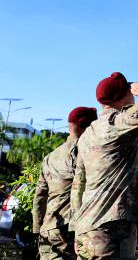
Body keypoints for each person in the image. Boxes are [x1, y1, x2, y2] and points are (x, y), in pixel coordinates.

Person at [71, 72, 138, 260]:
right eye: (129, 90)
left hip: (86, 226)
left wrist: (76, 228)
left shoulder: (87, 134)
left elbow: (78, 184)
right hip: (112, 228)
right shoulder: (119, 123)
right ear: (123, 95)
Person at [32, 106, 98, 260]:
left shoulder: (50, 157)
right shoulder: (84, 152)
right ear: (87, 127)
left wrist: (37, 228)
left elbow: (39, 197)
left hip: (48, 228)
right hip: (70, 230)